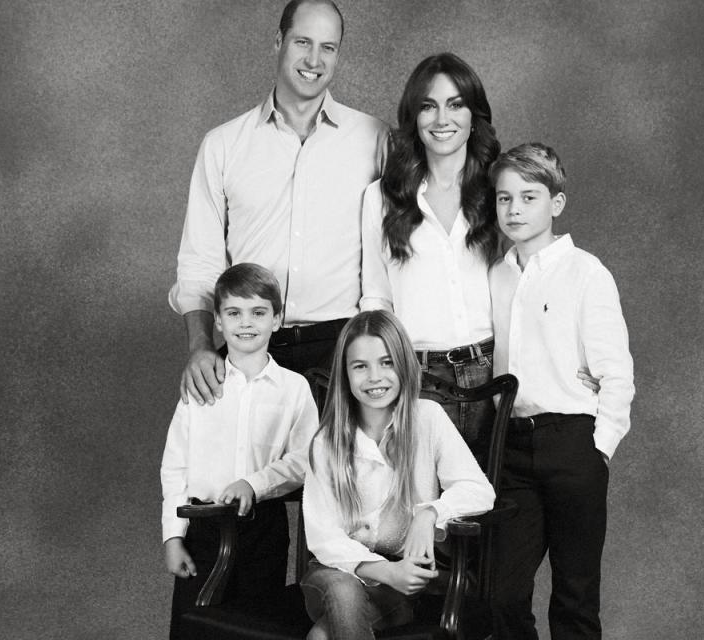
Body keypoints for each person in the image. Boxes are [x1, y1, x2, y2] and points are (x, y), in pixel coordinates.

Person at [361, 53, 597, 449]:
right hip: (416, 377)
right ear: (413, 117)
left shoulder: (498, 192)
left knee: (494, 502)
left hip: (494, 374)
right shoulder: (382, 197)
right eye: (428, 106)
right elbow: (376, 296)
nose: (442, 119)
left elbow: (537, 274)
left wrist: (575, 354)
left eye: (455, 105)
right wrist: (381, 373)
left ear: (474, 117)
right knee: (424, 505)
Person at [170, 0, 388, 405]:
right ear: (278, 41)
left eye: (328, 47)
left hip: (341, 350)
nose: (314, 59)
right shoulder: (223, 145)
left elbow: (399, 250)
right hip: (251, 346)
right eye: (302, 42)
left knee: (339, 470)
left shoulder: (374, 140)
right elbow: (200, 262)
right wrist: (201, 346)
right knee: (241, 470)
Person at [486, 144, 635, 639]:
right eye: (504, 199)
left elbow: (616, 372)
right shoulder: (496, 276)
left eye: (529, 197)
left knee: (574, 597)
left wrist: (600, 449)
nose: (514, 210)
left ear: (556, 203)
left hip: (572, 442)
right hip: (511, 446)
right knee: (501, 594)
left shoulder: (586, 273)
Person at [300, 310, 496, 639]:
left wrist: (430, 513)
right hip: (332, 574)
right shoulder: (327, 441)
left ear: (403, 365)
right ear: (345, 374)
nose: (374, 376)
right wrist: (386, 572)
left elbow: (478, 490)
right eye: (360, 366)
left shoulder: (427, 418)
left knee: (322, 637)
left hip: (401, 585)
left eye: (386, 362)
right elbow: (324, 537)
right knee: (343, 589)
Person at [160, 263, 319, 639]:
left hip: (262, 528)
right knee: (196, 630)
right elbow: (175, 465)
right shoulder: (201, 384)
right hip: (202, 527)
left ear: (277, 319)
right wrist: (172, 536)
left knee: (254, 629)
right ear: (217, 320)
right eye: (234, 313)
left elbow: (305, 460)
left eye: (258, 312)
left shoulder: (293, 388)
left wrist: (255, 483)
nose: (245, 323)